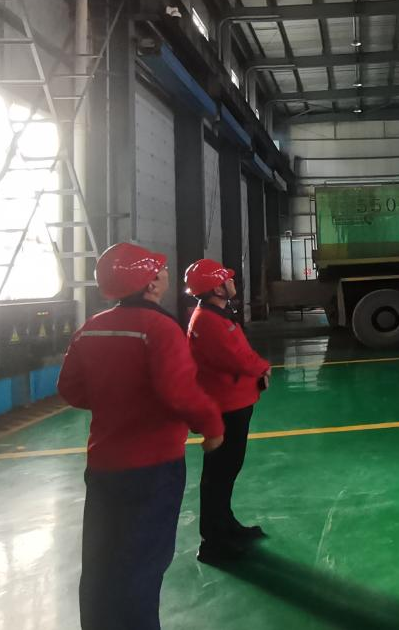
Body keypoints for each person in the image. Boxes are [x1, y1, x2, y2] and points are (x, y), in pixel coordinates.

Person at [58, 242, 225, 630]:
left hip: (104, 466)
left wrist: (115, 402)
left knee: (101, 563)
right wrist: (212, 426)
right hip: (152, 466)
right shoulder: (160, 329)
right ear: (150, 284)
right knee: (142, 563)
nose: (166, 275)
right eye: (161, 271)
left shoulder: (91, 328)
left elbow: (70, 388)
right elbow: (179, 391)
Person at [184, 258, 273, 565]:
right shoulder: (209, 321)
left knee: (226, 471)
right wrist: (263, 367)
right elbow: (237, 358)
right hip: (226, 406)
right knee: (219, 474)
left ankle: (225, 525)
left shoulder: (217, 315)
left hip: (234, 400)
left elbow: (239, 353)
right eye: (226, 279)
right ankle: (213, 541)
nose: (232, 282)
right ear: (216, 289)